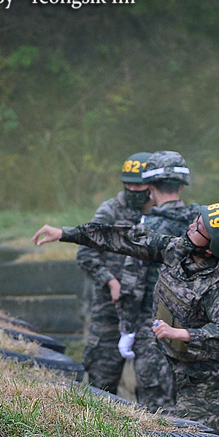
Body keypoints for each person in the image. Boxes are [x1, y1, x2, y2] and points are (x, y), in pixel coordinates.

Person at [33, 202, 219, 430]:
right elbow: (126, 239)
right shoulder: (177, 249)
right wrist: (66, 233)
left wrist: (181, 334)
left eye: (199, 228)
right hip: (169, 358)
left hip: (204, 376)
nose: (191, 227)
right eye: (196, 220)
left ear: (212, 247)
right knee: (159, 425)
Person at [113, 151, 199, 412]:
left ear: (150, 188)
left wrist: (127, 328)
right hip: (195, 332)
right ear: (182, 185)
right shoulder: (203, 225)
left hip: (153, 330)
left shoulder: (145, 229)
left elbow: (131, 285)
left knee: (157, 413)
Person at [75, 152, 154, 393]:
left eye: (138, 185)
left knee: (152, 387)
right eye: (127, 184)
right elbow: (86, 253)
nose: (132, 189)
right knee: (101, 381)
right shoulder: (111, 210)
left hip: (148, 313)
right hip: (110, 310)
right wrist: (109, 281)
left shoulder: (163, 215)